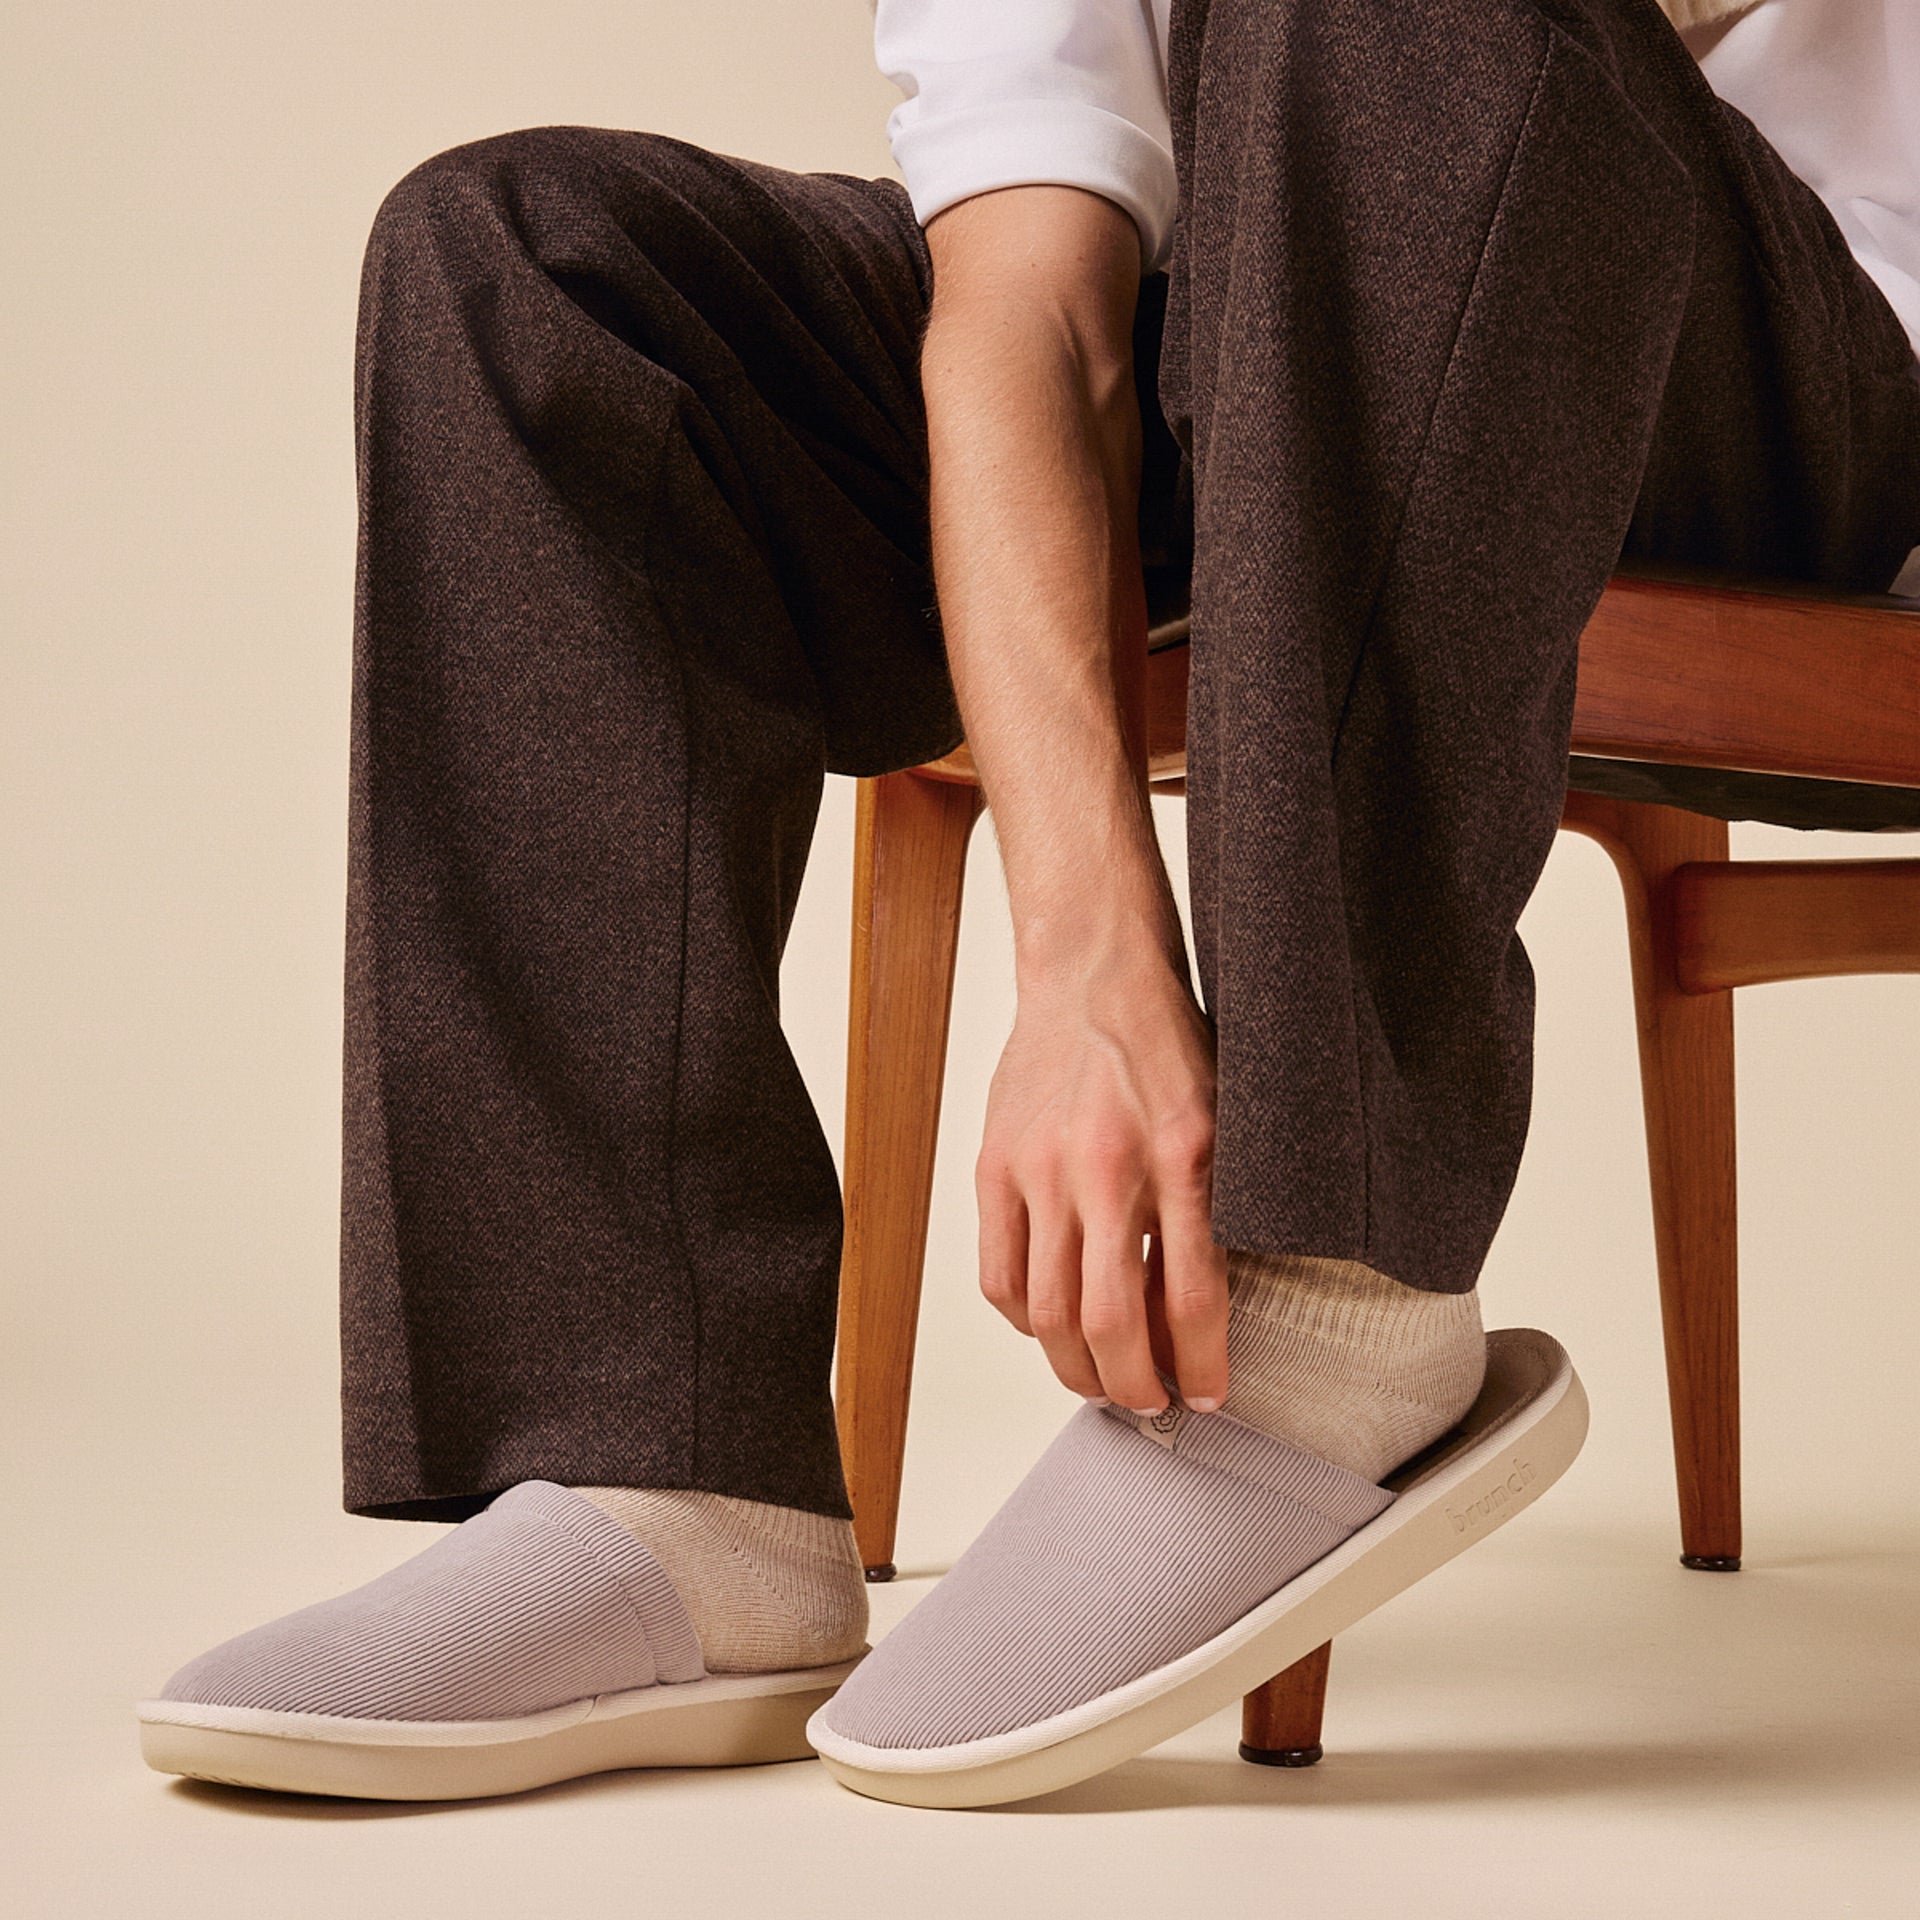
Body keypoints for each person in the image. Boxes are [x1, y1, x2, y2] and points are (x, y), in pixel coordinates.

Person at [137, 0, 1920, 1805]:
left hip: (1797, 359)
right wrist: (1087, 959)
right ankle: (660, 1474)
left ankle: (1339, 1288)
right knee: (538, 267)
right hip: (1250, 336)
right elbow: (1033, 308)